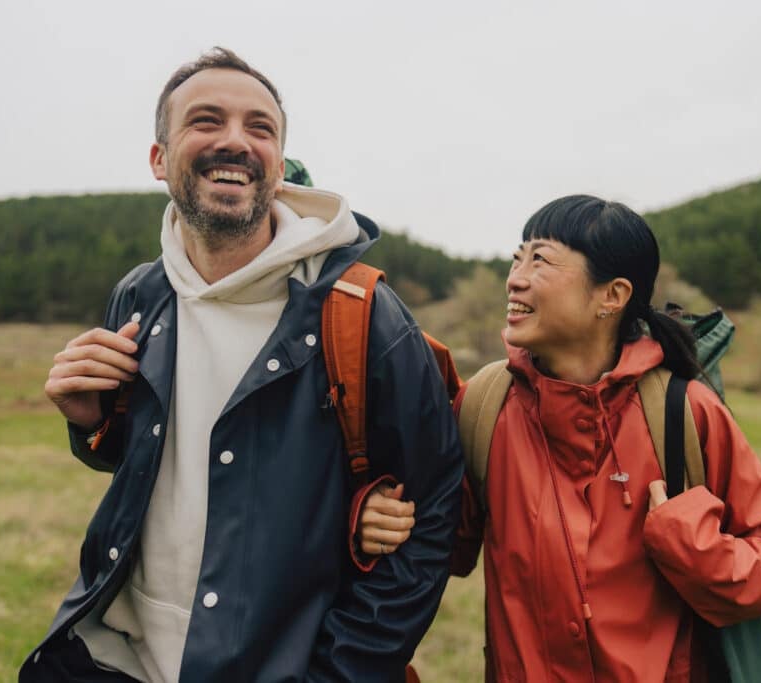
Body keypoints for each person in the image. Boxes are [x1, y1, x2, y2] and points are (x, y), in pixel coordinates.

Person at [23, 47, 463, 682]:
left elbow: (430, 522)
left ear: (279, 166)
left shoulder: (364, 315)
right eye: (206, 120)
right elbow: (141, 459)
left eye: (259, 128)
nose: (235, 141)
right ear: (158, 158)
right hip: (114, 660)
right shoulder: (139, 297)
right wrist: (89, 423)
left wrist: (342, 673)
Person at [359, 195, 761, 682]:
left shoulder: (685, 412)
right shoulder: (483, 406)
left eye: (541, 260)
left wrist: (690, 545)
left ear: (612, 296)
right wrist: (373, 519)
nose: (515, 277)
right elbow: (440, 542)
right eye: (518, 257)